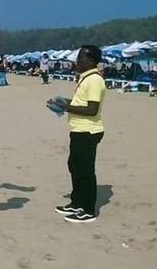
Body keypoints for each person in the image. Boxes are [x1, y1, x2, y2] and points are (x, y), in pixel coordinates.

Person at [49, 45, 106, 223]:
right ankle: (77, 202)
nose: (77, 61)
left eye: (80, 57)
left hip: (88, 130)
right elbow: (79, 102)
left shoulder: (95, 80)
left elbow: (91, 109)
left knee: (85, 170)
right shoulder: (85, 78)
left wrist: (66, 107)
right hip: (78, 129)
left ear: (90, 60)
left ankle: (88, 209)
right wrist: (60, 101)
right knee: (74, 166)